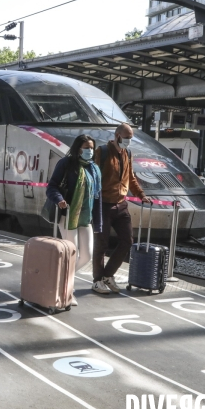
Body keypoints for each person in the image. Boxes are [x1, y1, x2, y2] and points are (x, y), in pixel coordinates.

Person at [92, 123, 150, 295]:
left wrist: (141, 195)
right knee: (101, 244)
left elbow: (130, 177)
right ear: (117, 135)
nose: (128, 141)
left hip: (121, 203)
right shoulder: (102, 152)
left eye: (130, 138)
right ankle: (97, 280)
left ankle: (107, 275)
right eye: (126, 138)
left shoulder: (128, 153)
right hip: (103, 203)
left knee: (127, 241)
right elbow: (93, 176)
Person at [47, 135, 102, 305]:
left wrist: (98, 221)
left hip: (86, 218)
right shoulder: (66, 164)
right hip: (68, 215)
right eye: (86, 147)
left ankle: (61, 281)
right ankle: (67, 291)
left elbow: (98, 196)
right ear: (78, 148)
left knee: (86, 255)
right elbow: (52, 186)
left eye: (91, 147)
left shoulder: (94, 168)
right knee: (72, 254)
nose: (90, 151)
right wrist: (59, 199)